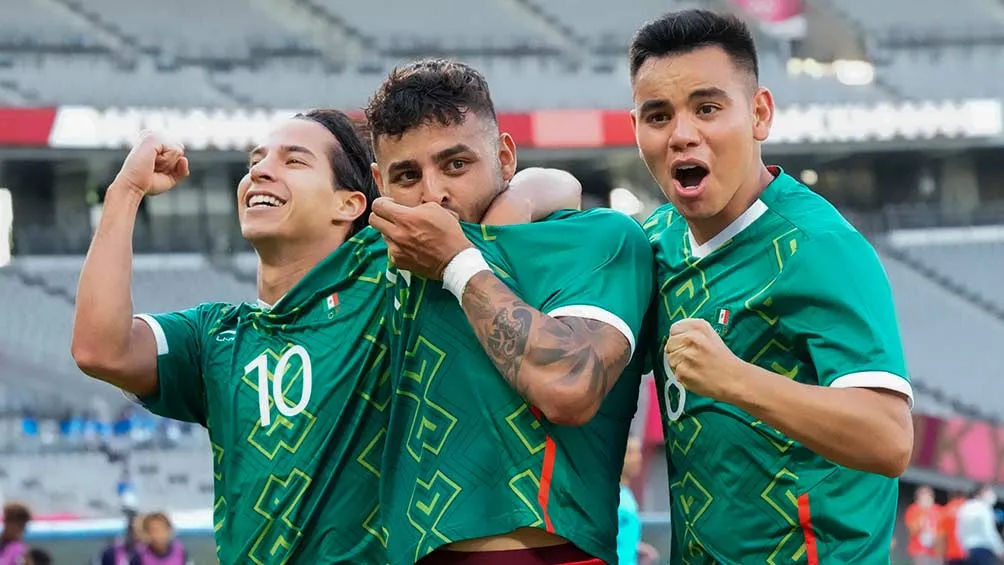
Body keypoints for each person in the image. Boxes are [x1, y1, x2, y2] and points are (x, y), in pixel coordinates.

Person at [71, 108, 577, 564]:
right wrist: (124, 192)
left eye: (293, 161)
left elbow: (559, 184)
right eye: (256, 160)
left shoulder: (390, 277)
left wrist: (502, 219)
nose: (259, 172)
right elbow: (100, 349)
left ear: (350, 202)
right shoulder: (214, 336)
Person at [629, 9, 914, 563]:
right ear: (634, 128)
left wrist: (733, 379)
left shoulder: (818, 247)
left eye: (708, 108)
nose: (683, 134)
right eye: (658, 115)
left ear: (759, 114)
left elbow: (889, 438)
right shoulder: (654, 241)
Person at [366, 58, 654, 565]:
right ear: (378, 184)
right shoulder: (379, 266)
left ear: (504, 156)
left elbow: (571, 388)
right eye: (407, 175)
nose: (435, 194)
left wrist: (460, 264)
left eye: (456, 164)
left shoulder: (596, 239)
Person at [618, 438, 660, 565]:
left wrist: (637, 547)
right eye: (630, 453)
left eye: (638, 452)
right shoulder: (608, 497)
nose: (637, 458)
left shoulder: (627, 494)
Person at [957, 484, 1004, 565]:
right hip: (984, 549)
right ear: (981, 493)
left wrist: (963, 548)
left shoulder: (965, 507)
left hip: (968, 550)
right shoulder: (984, 508)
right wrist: (1000, 549)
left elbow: (959, 531)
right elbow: (989, 531)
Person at [904, 486, 942, 565]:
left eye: (928, 496)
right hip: (919, 550)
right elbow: (912, 531)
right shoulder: (913, 510)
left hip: (936, 550)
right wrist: (924, 513)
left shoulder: (938, 510)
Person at [941, 490, 970, 565]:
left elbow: (941, 535)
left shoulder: (946, 509)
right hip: (968, 552)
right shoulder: (969, 508)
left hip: (951, 553)